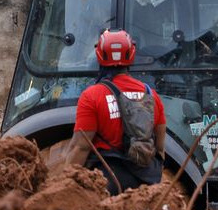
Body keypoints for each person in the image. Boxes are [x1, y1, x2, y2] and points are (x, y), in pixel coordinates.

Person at [66, 29, 167, 194]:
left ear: (99, 55)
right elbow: (160, 147)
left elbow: (81, 147)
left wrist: (65, 185)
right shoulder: (151, 95)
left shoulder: (92, 96)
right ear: (131, 55)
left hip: (107, 182)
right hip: (146, 183)